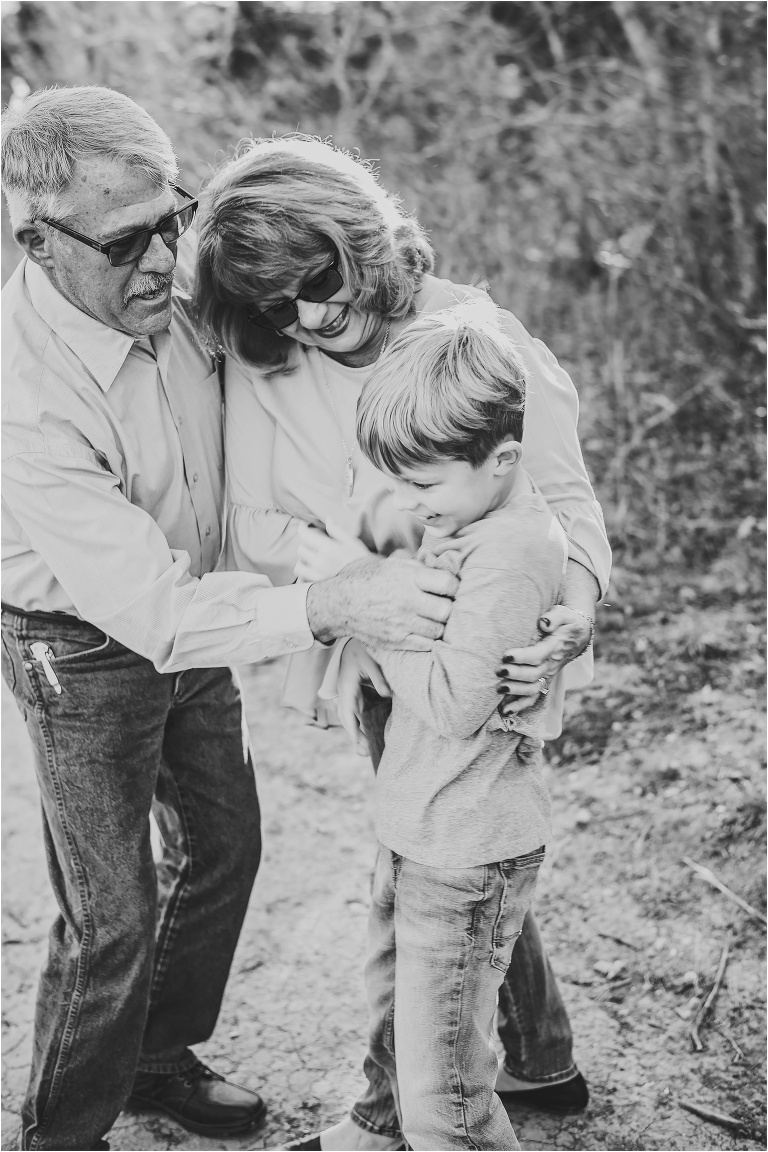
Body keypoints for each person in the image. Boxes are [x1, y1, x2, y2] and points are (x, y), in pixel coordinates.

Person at [0, 87, 457, 1152]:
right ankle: (61, 1133)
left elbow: (320, 302)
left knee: (222, 845)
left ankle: (157, 1061)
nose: (167, 259)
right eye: (128, 240)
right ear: (38, 239)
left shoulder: (178, 281)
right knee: (111, 917)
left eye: (175, 217)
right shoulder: (21, 395)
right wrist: (337, 599)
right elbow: (152, 614)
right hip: (79, 643)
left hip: (207, 609)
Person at [193, 135, 611, 1150]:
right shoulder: (272, 363)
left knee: (446, 857)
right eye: (269, 306)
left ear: (362, 236)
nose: (303, 318)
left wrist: (579, 610)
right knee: (439, 846)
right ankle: (531, 1059)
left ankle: (394, 1114)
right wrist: (352, 582)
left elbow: (563, 500)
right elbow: (253, 519)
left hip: (483, 653)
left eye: (315, 282)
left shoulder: (476, 338)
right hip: (372, 644)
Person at [300, 302, 570, 1151]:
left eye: (424, 484)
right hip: (420, 825)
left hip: (465, 849)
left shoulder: (512, 552)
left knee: (446, 1095)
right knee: (396, 1013)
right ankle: (375, 1131)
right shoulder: (470, 517)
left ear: (503, 460)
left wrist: (372, 617)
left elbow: (459, 701)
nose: (413, 506)